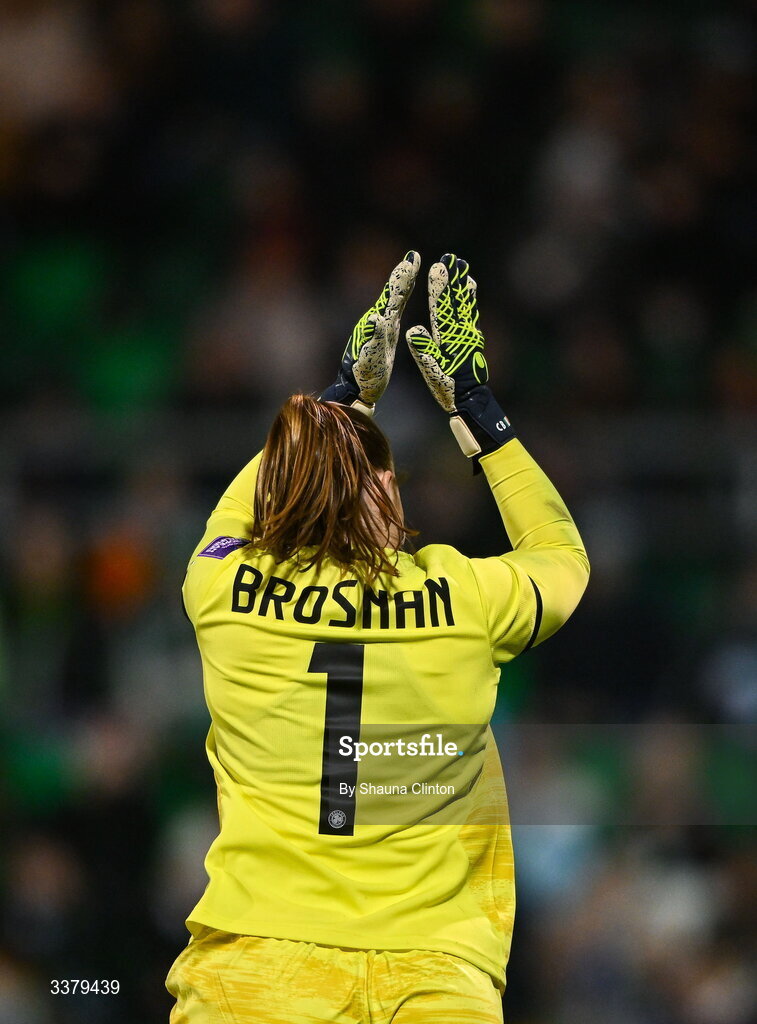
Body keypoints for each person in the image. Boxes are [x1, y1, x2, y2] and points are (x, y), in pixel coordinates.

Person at [166, 251, 589, 1023]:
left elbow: (234, 515)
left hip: (255, 970)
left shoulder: (223, 588)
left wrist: (340, 403)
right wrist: (477, 412)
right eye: (381, 472)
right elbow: (561, 558)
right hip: (434, 970)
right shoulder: (462, 596)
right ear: (388, 496)